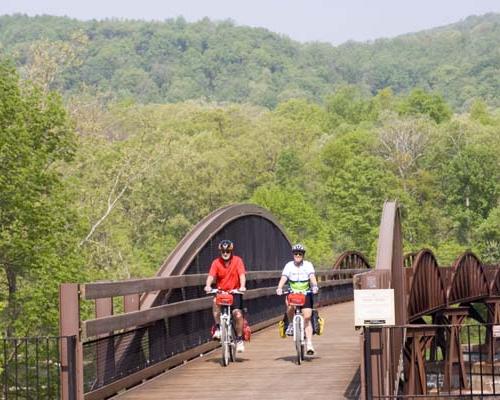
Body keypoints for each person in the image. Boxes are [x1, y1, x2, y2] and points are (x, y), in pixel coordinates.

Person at [204, 239, 247, 352]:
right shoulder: (216, 263)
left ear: (231, 251)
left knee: (237, 315)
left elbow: (242, 275)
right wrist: (208, 285)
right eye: (223, 251)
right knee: (215, 302)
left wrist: (242, 286)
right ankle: (218, 327)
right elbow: (211, 276)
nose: (225, 253)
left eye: (227, 251)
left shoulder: (237, 261)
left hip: (234, 292)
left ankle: (239, 339)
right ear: (220, 251)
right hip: (221, 292)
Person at [276, 243, 319, 355]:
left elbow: (312, 277)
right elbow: (284, 277)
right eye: (296, 254)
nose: (298, 255)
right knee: (290, 306)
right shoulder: (289, 265)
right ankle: (290, 324)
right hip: (293, 293)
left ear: (303, 255)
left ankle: (309, 343)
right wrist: (279, 287)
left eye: (300, 254)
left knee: (307, 317)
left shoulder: (308, 265)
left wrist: (314, 286)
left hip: (305, 293)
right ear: (293, 254)